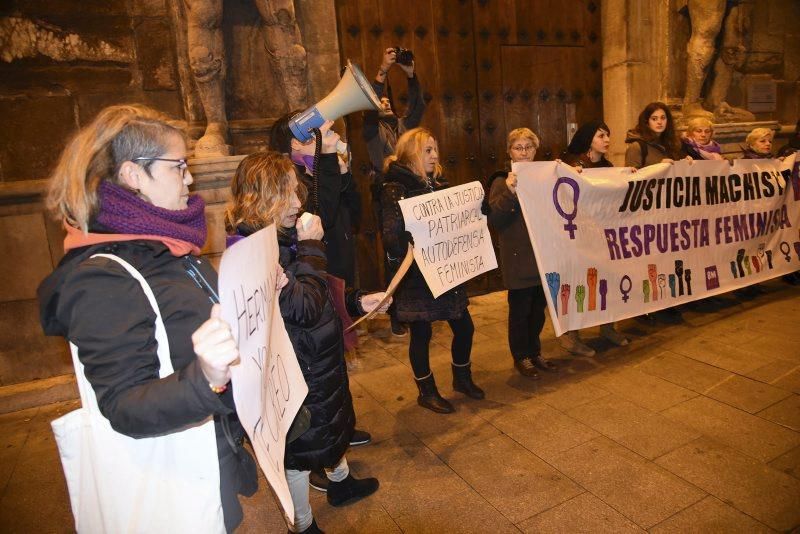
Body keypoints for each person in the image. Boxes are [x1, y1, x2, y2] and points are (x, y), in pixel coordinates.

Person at [37, 104, 257, 532]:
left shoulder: (166, 245)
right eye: (178, 166)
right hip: (172, 475)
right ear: (134, 175)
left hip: (212, 452)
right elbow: (123, 405)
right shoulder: (101, 277)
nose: (189, 178)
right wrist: (206, 376)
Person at [226, 151, 385, 533]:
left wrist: (354, 300)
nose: (298, 203)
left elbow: (318, 290)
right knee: (299, 449)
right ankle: (301, 523)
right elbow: (304, 306)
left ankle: (340, 481)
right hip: (297, 368)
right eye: (287, 195)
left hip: (316, 359)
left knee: (328, 425)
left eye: (297, 193)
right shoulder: (255, 252)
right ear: (259, 198)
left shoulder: (282, 239)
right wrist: (313, 245)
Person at [381, 128, 484, 412]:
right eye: (427, 150)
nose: (435, 155)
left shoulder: (438, 185)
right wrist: (415, 234)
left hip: (445, 269)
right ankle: (426, 391)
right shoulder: (395, 188)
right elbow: (391, 235)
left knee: (465, 327)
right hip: (417, 277)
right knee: (422, 334)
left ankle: (462, 378)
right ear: (411, 153)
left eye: (435, 149)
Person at [485, 128, 559, 377]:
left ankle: (535, 351)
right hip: (518, 257)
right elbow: (495, 219)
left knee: (538, 309)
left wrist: (566, 174)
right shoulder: (500, 181)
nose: (524, 152)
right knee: (520, 311)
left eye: (529, 147)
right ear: (509, 152)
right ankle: (521, 356)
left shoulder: (544, 176)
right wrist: (510, 191)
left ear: (536, 150)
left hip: (541, 255)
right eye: (518, 147)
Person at [364, 47, 426, 337]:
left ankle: (417, 306)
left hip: (411, 196)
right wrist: (382, 71)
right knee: (394, 256)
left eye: (388, 99)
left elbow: (418, 107)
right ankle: (396, 314)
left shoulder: (402, 127)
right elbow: (368, 110)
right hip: (388, 199)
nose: (386, 102)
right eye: (380, 100)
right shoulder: (372, 132)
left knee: (417, 252)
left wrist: (410, 75)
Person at [560, 121, 630, 353]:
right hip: (579, 236)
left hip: (603, 236)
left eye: (608, 135)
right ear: (589, 139)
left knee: (608, 279)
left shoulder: (609, 166)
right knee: (579, 282)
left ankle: (608, 326)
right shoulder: (573, 164)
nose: (607, 139)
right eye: (601, 135)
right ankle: (571, 335)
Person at [270, 114, 361, 288]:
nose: (323, 135)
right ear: (296, 143)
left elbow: (355, 218)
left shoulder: (327, 172)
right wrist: (327, 159)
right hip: (319, 276)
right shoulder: (292, 184)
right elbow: (322, 217)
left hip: (342, 271)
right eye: (315, 133)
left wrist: (344, 177)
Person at [624, 102, 686, 169]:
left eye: (663, 118)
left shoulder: (672, 144)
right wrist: (658, 167)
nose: (659, 122)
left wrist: (685, 163)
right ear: (647, 122)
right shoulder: (636, 147)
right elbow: (630, 177)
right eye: (654, 119)